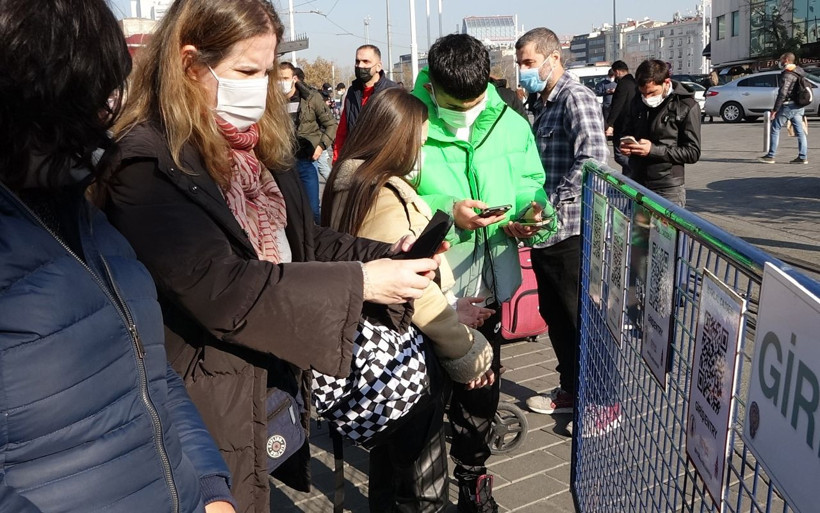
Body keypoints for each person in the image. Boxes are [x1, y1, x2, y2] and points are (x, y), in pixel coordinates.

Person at [100, 1, 439, 511]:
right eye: (246, 70)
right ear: (191, 64)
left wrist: (387, 253)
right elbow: (222, 287)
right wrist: (362, 283)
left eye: (268, 69)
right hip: (205, 394)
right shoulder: (146, 162)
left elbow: (305, 241)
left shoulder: (254, 147)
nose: (262, 87)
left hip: (264, 378)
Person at [0, 0, 237, 512]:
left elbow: (148, 374)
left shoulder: (89, 221)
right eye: (86, 91)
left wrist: (210, 489)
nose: (106, 112)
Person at [323, 87, 496, 512]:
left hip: (379, 351)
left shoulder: (352, 181)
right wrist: (466, 351)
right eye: (417, 142)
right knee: (421, 484)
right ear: (397, 140)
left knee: (392, 463)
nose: (420, 152)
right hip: (406, 352)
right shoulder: (382, 194)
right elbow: (411, 292)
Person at [412, 33, 556, 513]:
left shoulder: (510, 122)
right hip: (429, 289)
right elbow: (380, 197)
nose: (469, 112)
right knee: (428, 395)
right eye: (458, 105)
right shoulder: (406, 122)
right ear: (432, 87)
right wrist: (446, 212)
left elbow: (532, 186)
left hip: (491, 280)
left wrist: (532, 216)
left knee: (481, 384)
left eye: (476, 102)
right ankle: (422, 488)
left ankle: (473, 477)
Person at [514, 28, 611, 426]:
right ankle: (571, 388)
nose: (522, 71)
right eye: (520, 63)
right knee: (555, 315)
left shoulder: (576, 98)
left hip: (569, 231)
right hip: (545, 234)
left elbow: (593, 159)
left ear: (553, 59)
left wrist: (551, 206)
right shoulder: (544, 102)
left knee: (579, 319)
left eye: (528, 63)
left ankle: (603, 402)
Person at [620, 59, 701, 207]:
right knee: (637, 230)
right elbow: (628, 129)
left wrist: (653, 150)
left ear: (666, 82)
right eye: (643, 93)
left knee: (664, 230)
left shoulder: (686, 106)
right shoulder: (637, 101)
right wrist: (627, 144)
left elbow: (692, 152)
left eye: (652, 93)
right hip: (638, 181)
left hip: (668, 187)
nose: (647, 98)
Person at [278, 61, 337, 220]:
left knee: (312, 212)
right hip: (282, 165)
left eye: (285, 78)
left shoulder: (311, 98)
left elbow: (331, 124)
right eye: (278, 79)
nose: (281, 82)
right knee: (288, 214)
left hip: (306, 161)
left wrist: (321, 146)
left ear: (294, 78)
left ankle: (316, 242)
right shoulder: (273, 101)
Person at [333, 44, 399, 162]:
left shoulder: (393, 92)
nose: (360, 66)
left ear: (378, 66)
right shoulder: (353, 92)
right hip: (355, 161)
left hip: (383, 164)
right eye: (357, 61)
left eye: (366, 61)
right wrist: (337, 160)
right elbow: (343, 129)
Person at [758, 52, 809, 165]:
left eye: (781, 60)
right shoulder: (799, 72)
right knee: (800, 131)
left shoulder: (787, 74)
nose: (779, 62)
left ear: (786, 60)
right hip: (798, 105)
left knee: (775, 128)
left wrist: (775, 110)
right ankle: (803, 156)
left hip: (788, 105)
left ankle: (771, 156)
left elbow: (783, 93)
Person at [605, 60, 638, 172]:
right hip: (633, 123)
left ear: (617, 72)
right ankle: (628, 179)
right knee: (627, 155)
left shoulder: (623, 84)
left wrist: (609, 123)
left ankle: (635, 171)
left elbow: (617, 106)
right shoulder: (634, 82)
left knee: (620, 155)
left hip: (622, 124)